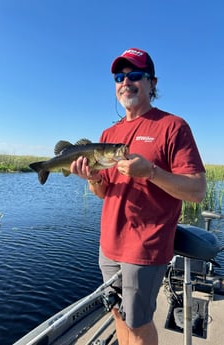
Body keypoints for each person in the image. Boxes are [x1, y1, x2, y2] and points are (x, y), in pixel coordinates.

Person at [70, 47, 206, 345]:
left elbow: (197, 191)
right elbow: (104, 192)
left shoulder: (173, 126)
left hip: (145, 249)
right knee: (117, 314)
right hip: (108, 247)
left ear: (152, 83)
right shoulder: (108, 134)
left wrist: (152, 172)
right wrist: (92, 179)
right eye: (119, 76)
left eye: (135, 75)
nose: (125, 82)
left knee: (140, 324)